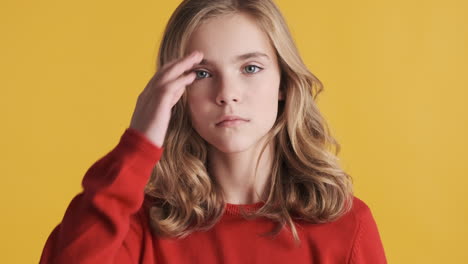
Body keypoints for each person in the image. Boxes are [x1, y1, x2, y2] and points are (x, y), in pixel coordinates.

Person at [39, 0, 387, 263]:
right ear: (175, 90)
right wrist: (137, 143)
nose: (227, 94)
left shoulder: (347, 225)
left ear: (283, 82)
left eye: (250, 68)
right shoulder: (139, 225)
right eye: (203, 73)